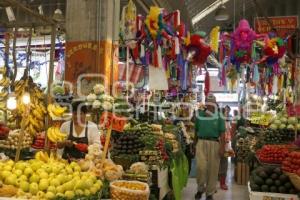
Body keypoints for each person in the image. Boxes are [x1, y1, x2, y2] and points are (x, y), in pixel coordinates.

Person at [194, 94, 226, 200]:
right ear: (206, 103)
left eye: (212, 102)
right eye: (208, 102)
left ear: (215, 103)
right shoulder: (199, 114)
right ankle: (200, 189)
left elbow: (222, 133)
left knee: (213, 169)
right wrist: (194, 144)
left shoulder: (220, 116)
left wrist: (222, 147)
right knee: (201, 167)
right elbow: (196, 130)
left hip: (214, 143)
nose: (210, 104)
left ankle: (209, 193)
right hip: (201, 142)